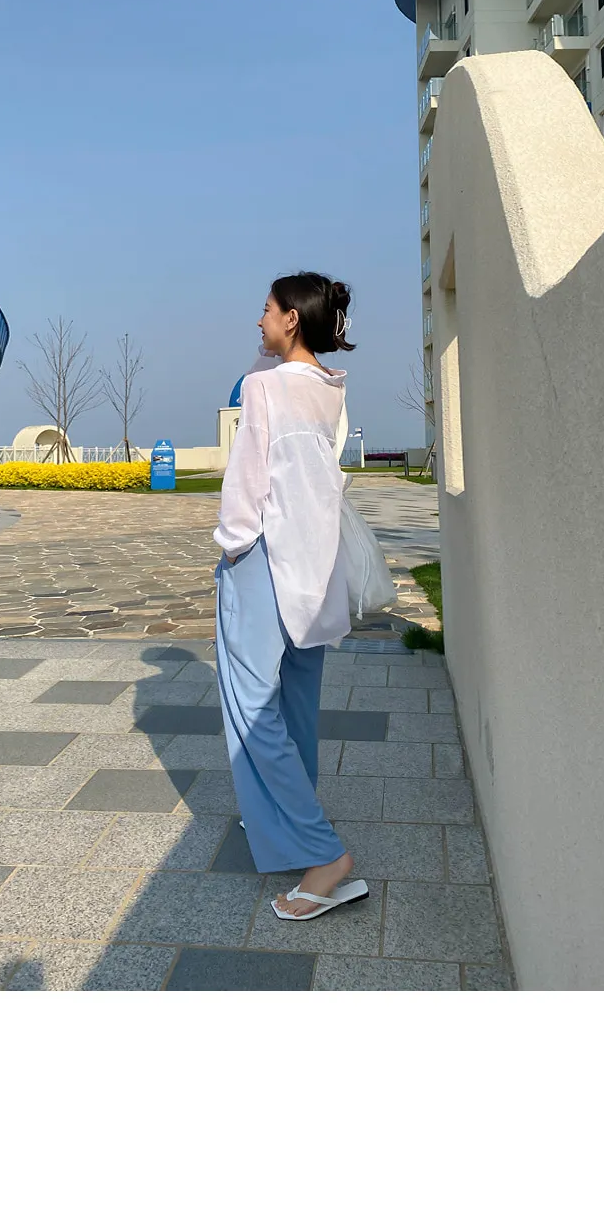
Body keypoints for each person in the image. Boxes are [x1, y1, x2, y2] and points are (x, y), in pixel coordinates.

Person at [213, 272, 368, 921]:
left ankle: (321, 853)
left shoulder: (263, 387)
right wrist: (276, 349)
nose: (259, 322)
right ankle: (288, 818)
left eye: (267, 311)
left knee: (251, 704)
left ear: (291, 319)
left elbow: (249, 479)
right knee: (297, 701)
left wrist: (230, 547)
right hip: (315, 562)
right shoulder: (327, 388)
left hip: (261, 556)